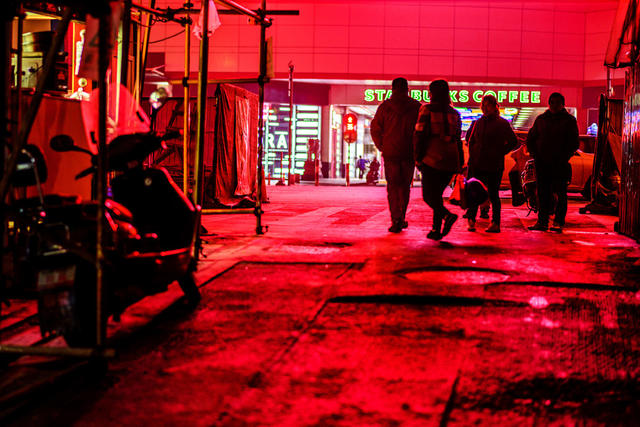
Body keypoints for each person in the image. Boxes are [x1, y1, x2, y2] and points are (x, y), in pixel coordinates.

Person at [414, 79, 463, 240]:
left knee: (429, 196)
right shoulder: (455, 113)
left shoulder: (427, 109)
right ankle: (436, 230)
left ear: (432, 93)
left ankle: (447, 216)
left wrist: (418, 157)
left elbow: (419, 134)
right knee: (437, 195)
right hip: (451, 159)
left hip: (432, 157)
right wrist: (460, 162)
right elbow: (458, 140)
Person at [370, 77, 421, 233]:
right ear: (407, 89)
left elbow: (375, 129)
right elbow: (421, 131)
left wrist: (383, 146)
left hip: (391, 153)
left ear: (392, 89)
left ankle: (395, 218)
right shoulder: (416, 107)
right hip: (409, 153)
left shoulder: (384, 107)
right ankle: (402, 217)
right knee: (405, 187)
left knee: (392, 187)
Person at [526, 92, 579, 232]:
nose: (554, 105)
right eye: (552, 102)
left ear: (563, 104)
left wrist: (564, 157)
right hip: (542, 163)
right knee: (543, 193)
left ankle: (558, 222)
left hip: (560, 164)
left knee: (560, 193)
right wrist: (535, 154)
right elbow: (531, 138)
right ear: (549, 104)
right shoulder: (541, 119)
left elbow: (574, 143)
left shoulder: (569, 121)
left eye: (557, 102)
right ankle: (542, 222)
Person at [465, 95, 518, 233]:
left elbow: (513, 141)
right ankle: (471, 220)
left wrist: (500, 152)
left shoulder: (502, 123)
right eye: (483, 105)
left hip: (494, 165)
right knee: (475, 192)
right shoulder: (477, 123)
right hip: (478, 164)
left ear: (495, 106)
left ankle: (495, 223)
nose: (484, 107)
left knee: (493, 194)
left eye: (487, 105)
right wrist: (473, 156)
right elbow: (470, 140)